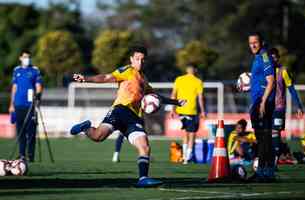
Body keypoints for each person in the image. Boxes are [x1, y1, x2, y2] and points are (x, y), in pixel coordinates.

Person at [70, 45, 184, 187]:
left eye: (143, 59)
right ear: (131, 59)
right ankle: (86, 127)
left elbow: (155, 97)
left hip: (135, 118)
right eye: (137, 59)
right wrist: (86, 79)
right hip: (120, 111)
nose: (140, 62)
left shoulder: (144, 79)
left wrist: (176, 102)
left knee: (145, 147)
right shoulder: (127, 71)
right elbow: (106, 77)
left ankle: (143, 178)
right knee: (98, 137)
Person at [247, 32, 275, 181]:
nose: (253, 45)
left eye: (255, 42)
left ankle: (263, 172)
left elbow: (271, 80)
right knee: (263, 138)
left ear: (262, 42)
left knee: (264, 138)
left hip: (263, 103)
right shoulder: (257, 57)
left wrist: (263, 102)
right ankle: (267, 171)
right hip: (258, 102)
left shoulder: (264, 56)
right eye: (250, 42)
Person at [269, 47, 304, 164]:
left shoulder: (283, 71)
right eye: (271, 58)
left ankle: (275, 162)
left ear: (278, 58)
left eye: (275, 57)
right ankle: (282, 154)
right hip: (267, 107)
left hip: (279, 107)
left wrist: (298, 106)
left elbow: (291, 89)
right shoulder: (264, 72)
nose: (273, 60)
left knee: (275, 132)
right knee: (268, 133)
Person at [9, 50, 43, 162]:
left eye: (28, 57)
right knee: (20, 132)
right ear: (20, 58)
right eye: (24, 57)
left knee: (31, 131)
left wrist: (37, 97)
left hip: (30, 105)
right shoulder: (16, 70)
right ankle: (21, 154)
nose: (26, 59)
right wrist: (11, 104)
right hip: (18, 104)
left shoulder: (34, 70)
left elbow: (38, 86)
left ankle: (30, 155)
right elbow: (14, 88)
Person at [170, 64, 206, 164]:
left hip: (181, 110)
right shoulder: (198, 81)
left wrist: (172, 109)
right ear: (195, 69)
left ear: (186, 69)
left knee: (185, 133)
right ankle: (187, 157)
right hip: (192, 111)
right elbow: (200, 98)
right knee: (192, 134)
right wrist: (203, 111)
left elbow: (173, 94)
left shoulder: (179, 79)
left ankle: (185, 155)